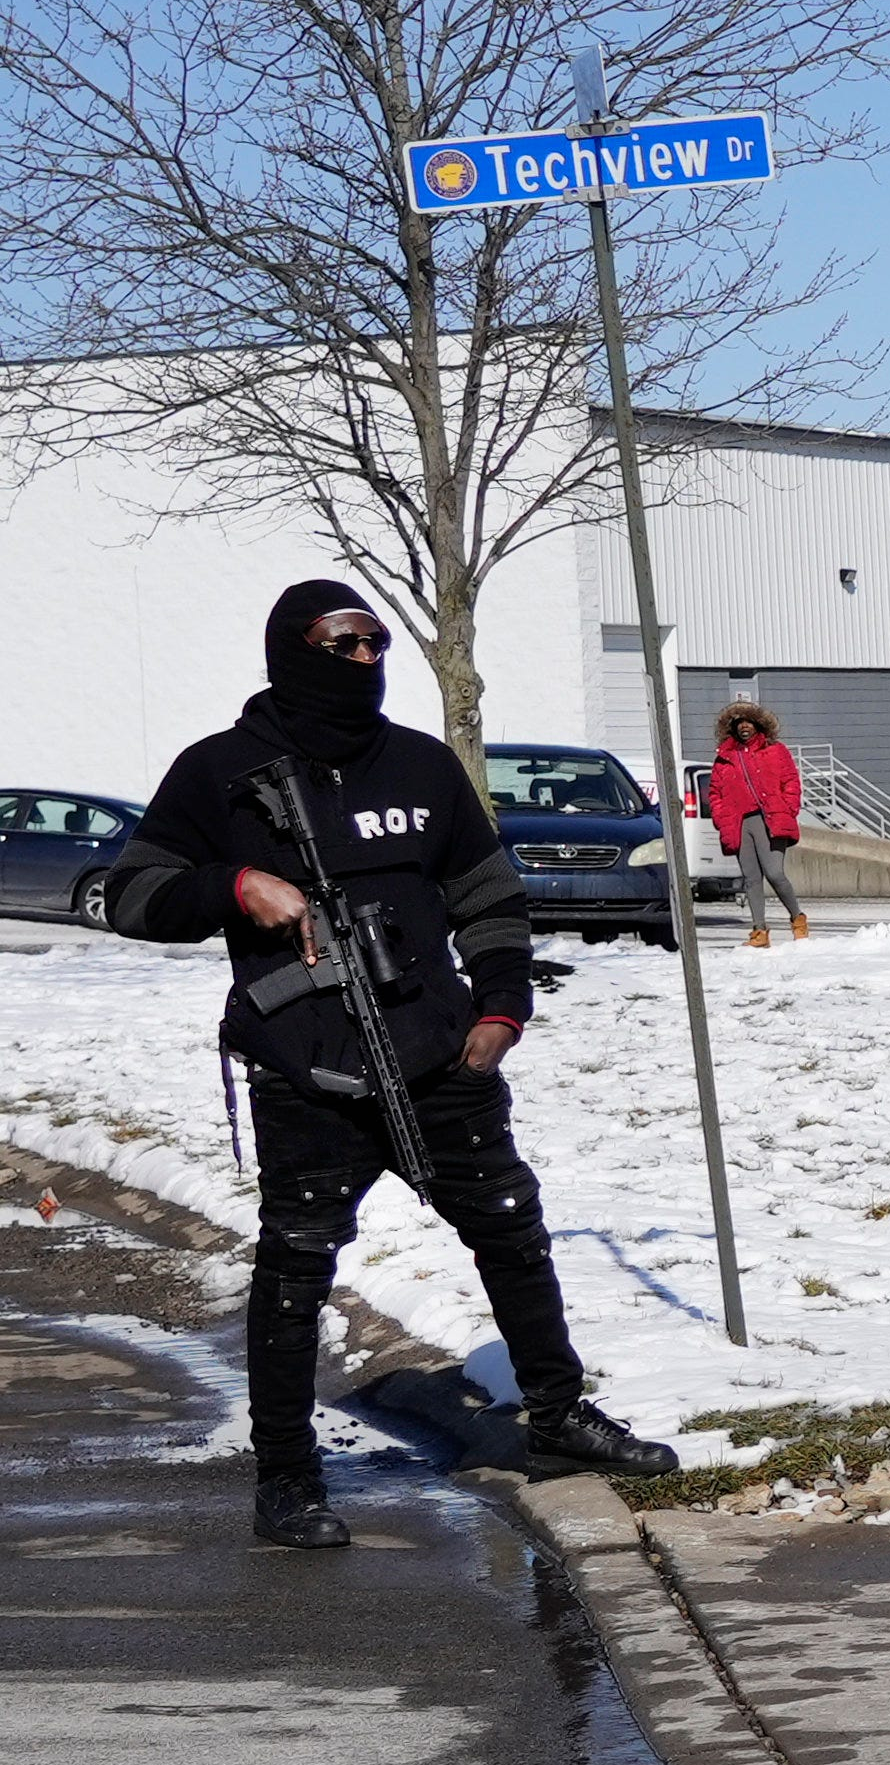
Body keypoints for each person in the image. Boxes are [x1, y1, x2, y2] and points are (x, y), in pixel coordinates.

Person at [109, 581, 679, 1549]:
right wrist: (235, 885)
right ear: (293, 648)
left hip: (439, 1053)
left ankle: (559, 1415)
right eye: (345, 642)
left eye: (377, 642)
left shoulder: (420, 766)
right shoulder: (219, 772)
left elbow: (490, 898)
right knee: (296, 1264)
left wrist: (501, 1008)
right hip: (307, 1069)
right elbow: (130, 895)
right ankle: (288, 1475)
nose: (367, 659)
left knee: (509, 1226)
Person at [706, 700, 808, 948]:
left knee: (774, 873)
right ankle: (759, 931)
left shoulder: (776, 750)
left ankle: (798, 919)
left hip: (771, 819)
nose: (744, 727)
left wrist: (788, 808)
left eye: (748, 722)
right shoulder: (725, 758)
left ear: (757, 725)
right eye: (739, 723)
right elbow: (715, 793)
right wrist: (722, 818)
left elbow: (791, 782)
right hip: (740, 823)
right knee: (751, 878)